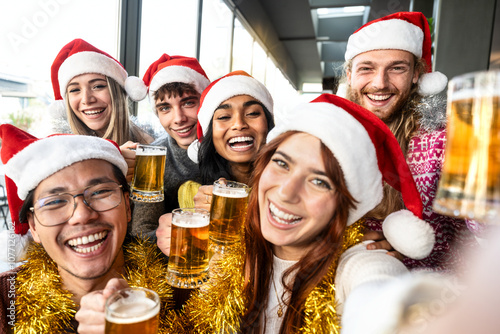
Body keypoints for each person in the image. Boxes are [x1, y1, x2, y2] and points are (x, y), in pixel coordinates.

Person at [159, 93, 436, 333]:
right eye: (282, 163)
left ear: (344, 205)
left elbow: (380, 292)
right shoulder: (234, 245)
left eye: (319, 181)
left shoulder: (358, 261)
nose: (286, 192)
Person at [0, 124, 171, 333]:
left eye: (100, 192)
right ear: (33, 226)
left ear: (127, 206)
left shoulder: (181, 290)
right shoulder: (5, 302)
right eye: (54, 202)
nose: (81, 215)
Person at [343, 11, 475, 271]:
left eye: (396, 68)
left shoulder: (445, 140)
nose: (380, 84)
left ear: (416, 74)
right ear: (349, 76)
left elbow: (483, 231)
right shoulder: (332, 134)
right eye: (366, 68)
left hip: (432, 293)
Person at [128, 54, 210, 239]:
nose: (179, 118)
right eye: (165, 108)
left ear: (205, 103)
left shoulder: (230, 149)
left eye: (188, 102)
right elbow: (141, 232)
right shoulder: (151, 159)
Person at [50, 38, 155, 180]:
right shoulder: (56, 152)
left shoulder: (149, 145)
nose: (87, 99)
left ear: (117, 92)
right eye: (75, 90)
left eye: (98, 86)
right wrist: (111, 165)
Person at [180, 70, 274, 211]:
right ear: (210, 134)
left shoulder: (287, 187)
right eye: (224, 117)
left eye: (252, 113)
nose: (239, 124)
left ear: (269, 126)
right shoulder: (193, 191)